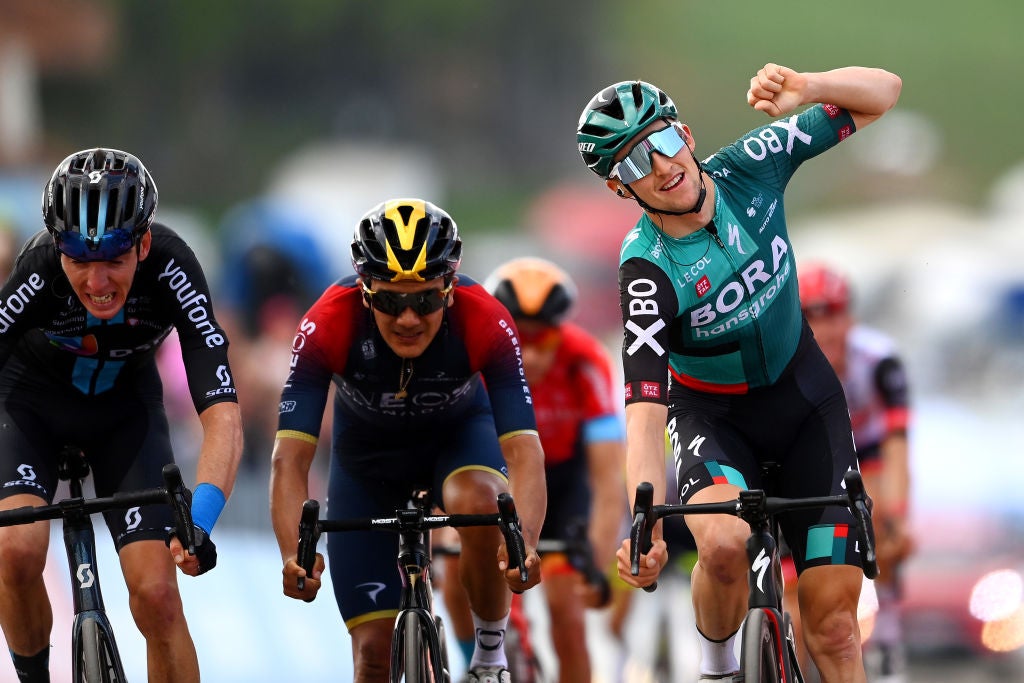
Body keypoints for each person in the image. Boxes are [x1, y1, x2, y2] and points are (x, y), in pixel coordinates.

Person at [576, 63, 902, 683]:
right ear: (621, 189)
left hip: (806, 405)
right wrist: (644, 517)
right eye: (635, 164)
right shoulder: (647, 270)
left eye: (664, 143)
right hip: (715, 419)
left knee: (834, 629)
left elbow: (885, 92)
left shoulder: (752, 163)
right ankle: (719, 667)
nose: (662, 167)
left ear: (688, 134)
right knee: (724, 545)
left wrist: (809, 89)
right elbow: (644, 411)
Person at [269, 198, 546, 683]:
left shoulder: (487, 318)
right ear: (365, 292)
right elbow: (289, 459)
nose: (409, 318)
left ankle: (488, 657)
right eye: (391, 301)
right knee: (372, 656)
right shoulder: (326, 323)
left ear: (450, 290)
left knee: (480, 500)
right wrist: (294, 552)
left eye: (425, 300)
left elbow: (525, 451)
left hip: (459, 440)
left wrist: (523, 545)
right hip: (366, 462)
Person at [0, 148, 243, 683]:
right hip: (31, 409)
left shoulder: (173, 266)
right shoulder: (37, 269)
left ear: (145, 243)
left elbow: (223, 414)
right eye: (79, 260)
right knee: (16, 551)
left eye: (114, 258)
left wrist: (198, 520)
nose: (98, 281)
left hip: (124, 415)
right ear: (58, 250)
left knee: (158, 596)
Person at [440, 257, 626, 683]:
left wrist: (595, 563)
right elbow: (447, 458)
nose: (534, 353)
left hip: (562, 488)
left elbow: (605, 480)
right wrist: (446, 539)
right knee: (459, 574)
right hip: (496, 480)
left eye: (544, 339)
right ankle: (482, 662)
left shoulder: (585, 361)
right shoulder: (476, 356)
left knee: (569, 619)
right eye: (522, 338)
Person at [798, 262, 913, 682]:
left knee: (880, 516)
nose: (824, 330)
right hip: (815, 451)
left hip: (868, 451)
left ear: (851, 319)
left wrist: (898, 517)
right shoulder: (786, 360)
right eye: (811, 318)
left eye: (833, 316)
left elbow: (898, 446)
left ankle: (888, 639)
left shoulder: (879, 359)